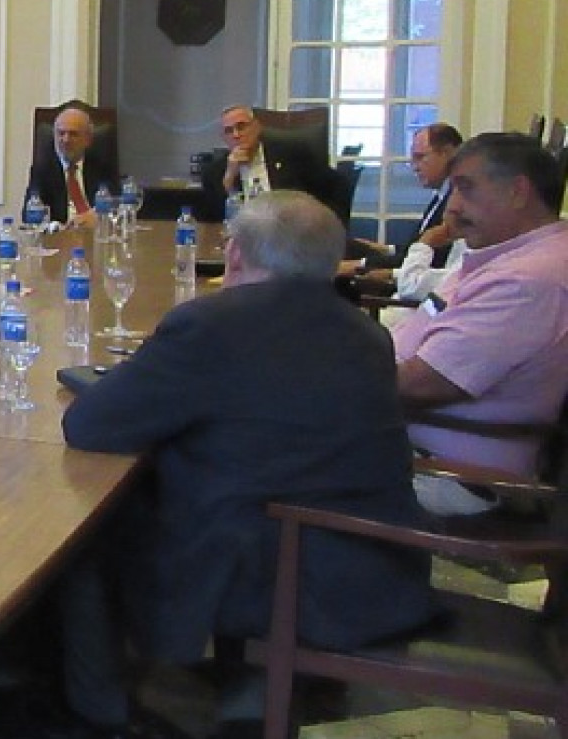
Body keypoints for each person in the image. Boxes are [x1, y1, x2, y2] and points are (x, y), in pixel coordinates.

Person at [57, 191, 436, 738]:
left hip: (274, 564)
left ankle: (98, 714)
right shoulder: (367, 334)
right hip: (373, 559)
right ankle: (245, 686)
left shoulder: (212, 324)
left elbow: (90, 427)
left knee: (84, 529)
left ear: (235, 255)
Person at [390, 132, 568, 516]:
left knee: (263, 465)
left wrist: (330, 379)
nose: (452, 208)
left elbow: (424, 384)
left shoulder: (529, 281)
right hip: (409, 446)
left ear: (518, 192)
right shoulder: (501, 258)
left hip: (451, 475)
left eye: (465, 189)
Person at [346, 123, 464, 277]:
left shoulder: (455, 202)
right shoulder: (440, 196)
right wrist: (385, 249)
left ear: (448, 153)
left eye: (420, 157)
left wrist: (360, 265)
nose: (414, 167)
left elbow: (431, 260)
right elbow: (416, 248)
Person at [201, 105, 342, 223]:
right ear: (223, 138)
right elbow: (213, 221)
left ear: (257, 127)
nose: (236, 135)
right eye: (229, 131)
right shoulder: (215, 171)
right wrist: (229, 177)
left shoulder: (291, 155)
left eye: (241, 126)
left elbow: (333, 188)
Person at [25, 105, 118, 228]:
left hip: (97, 235)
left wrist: (98, 216)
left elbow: (118, 204)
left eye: (73, 134)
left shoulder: (101, 165)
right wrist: (56, 227)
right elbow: (29, 215)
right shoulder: (43, 169)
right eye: (61, 133)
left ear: (88, 139)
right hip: (60, 239)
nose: (66, 139)